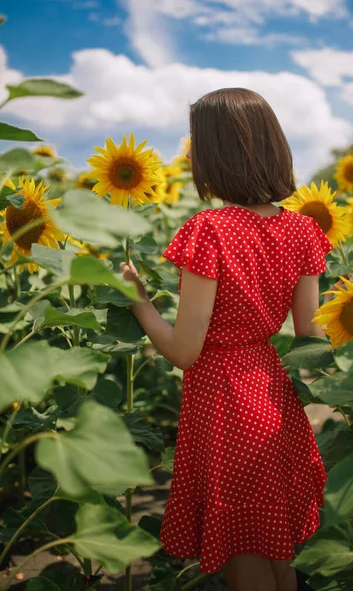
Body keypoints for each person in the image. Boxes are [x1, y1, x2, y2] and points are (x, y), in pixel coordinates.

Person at [120, 88, 332, 591]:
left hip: (225, 402)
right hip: (273, 397)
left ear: (213, 156)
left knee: (245, 554)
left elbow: (184, 350)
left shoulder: (210, 230)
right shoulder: (303, 230)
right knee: (277, 552)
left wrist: (137, 300)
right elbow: (311, 335)